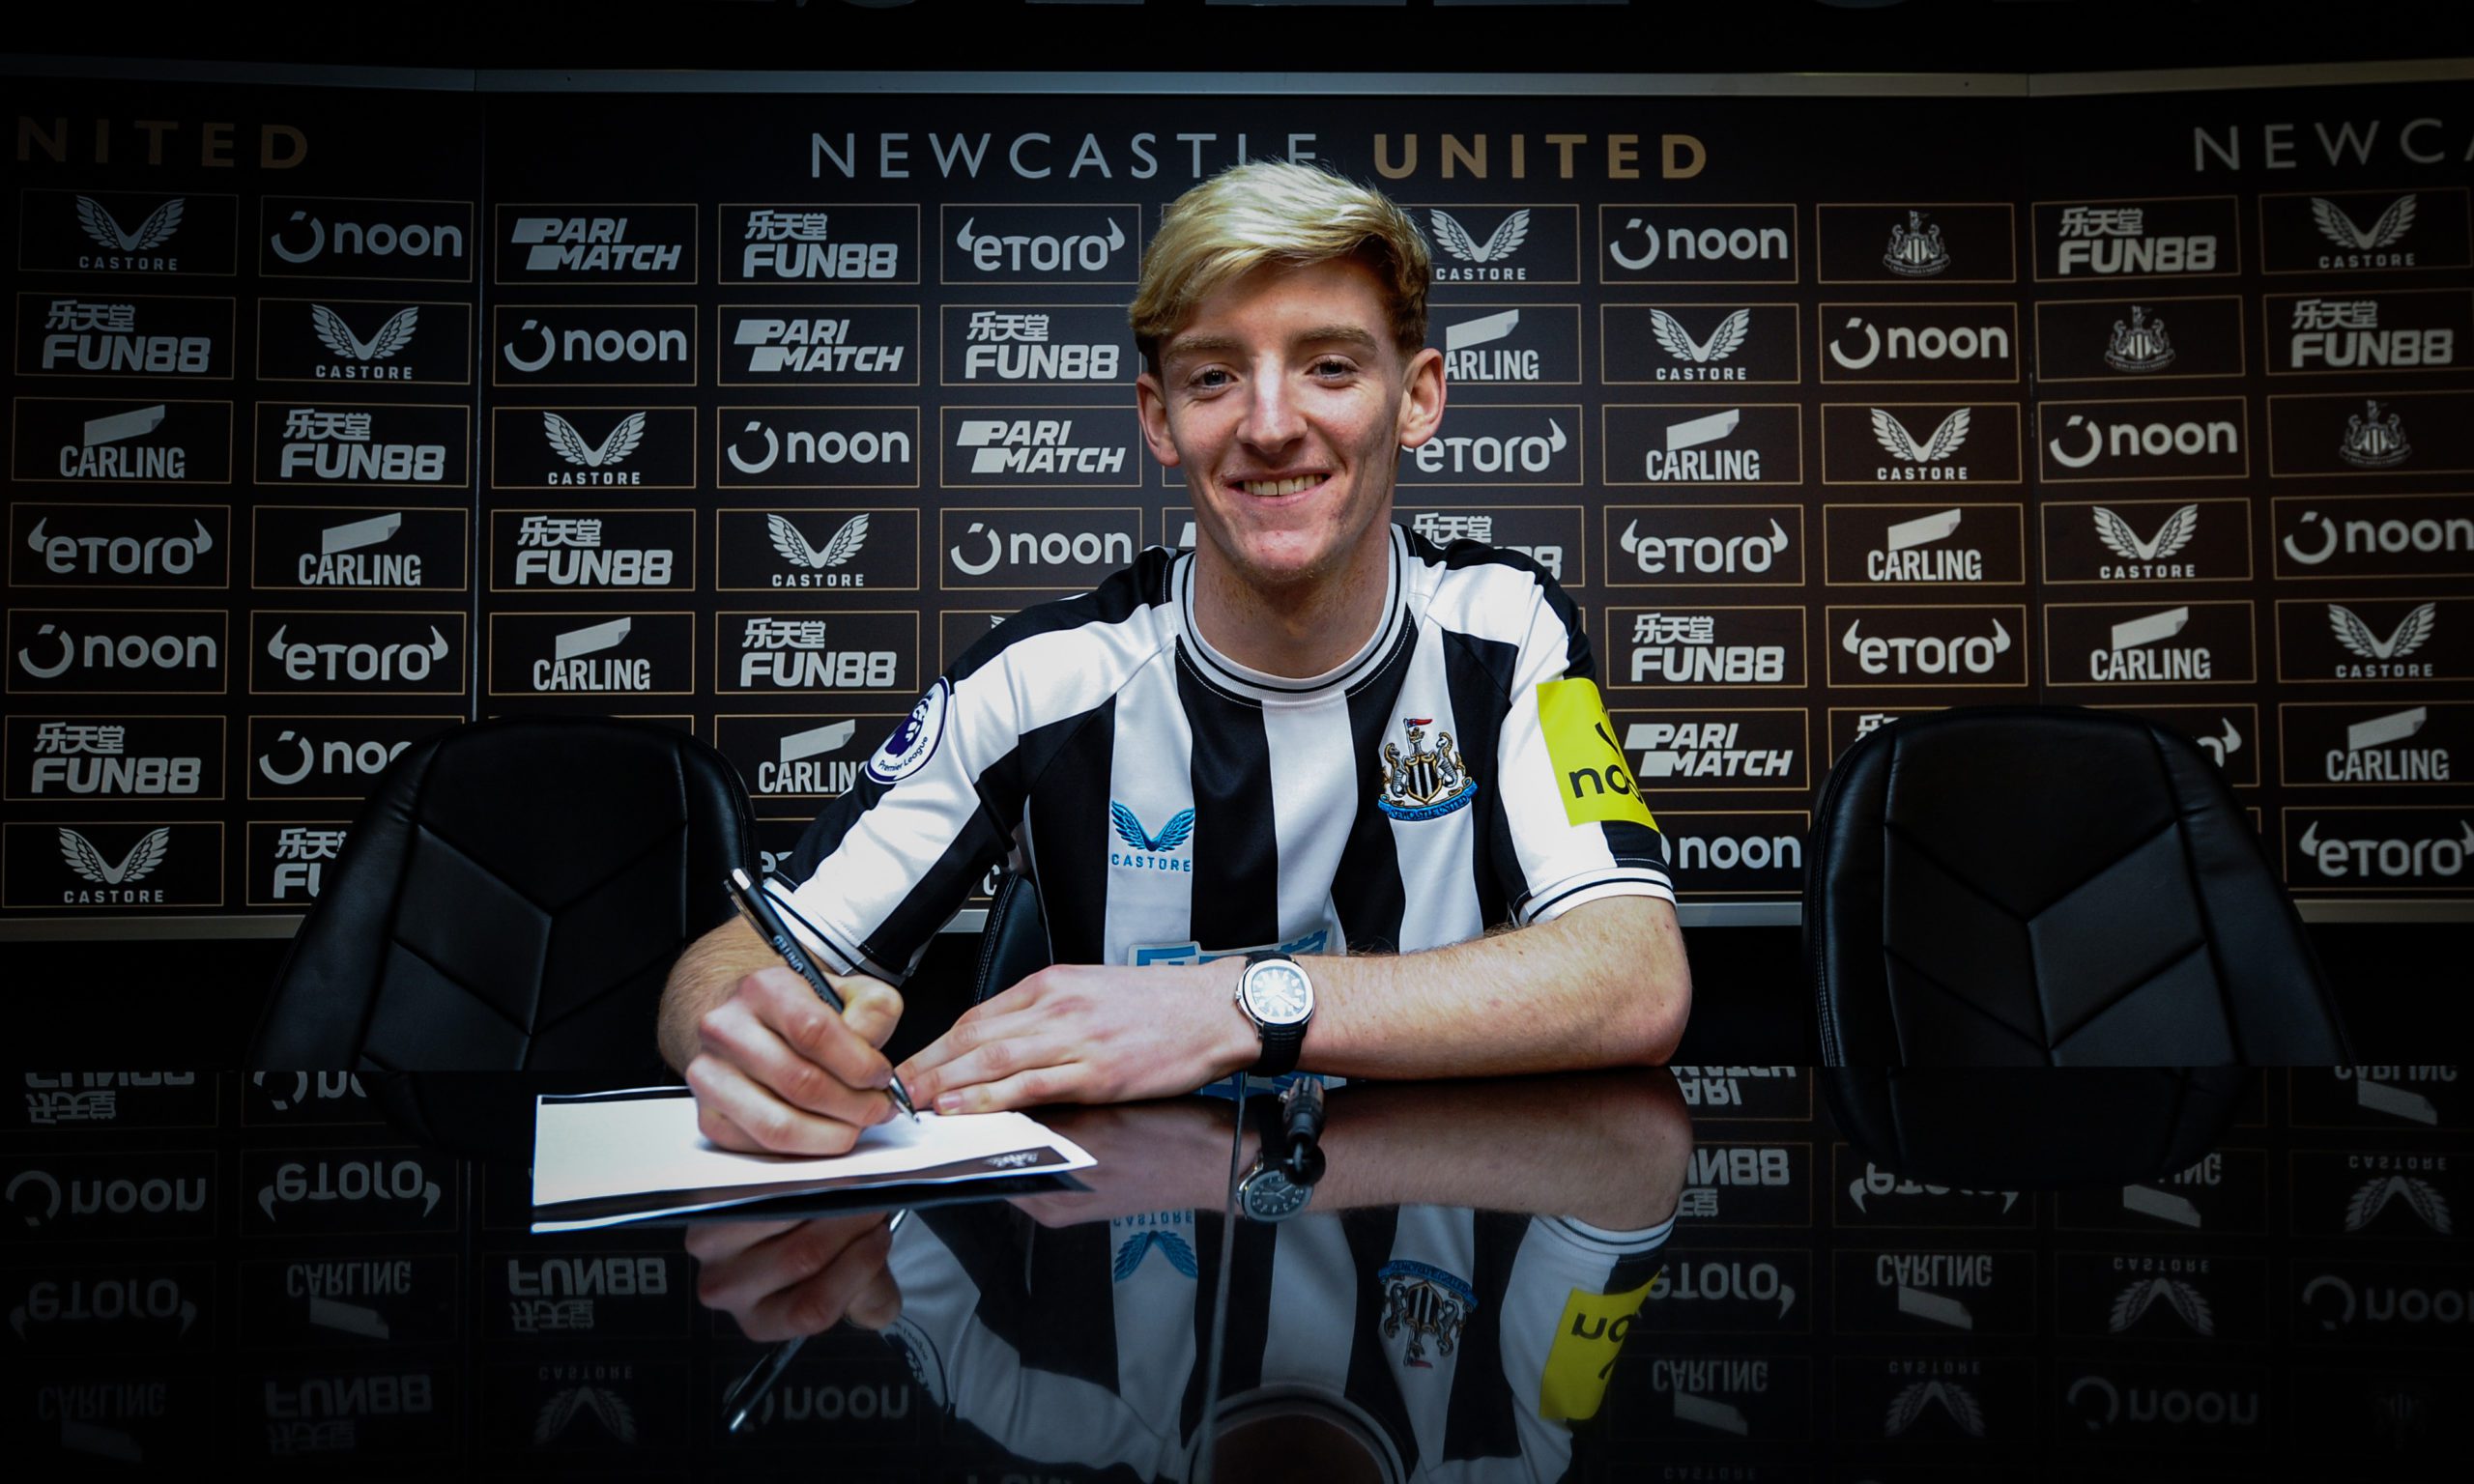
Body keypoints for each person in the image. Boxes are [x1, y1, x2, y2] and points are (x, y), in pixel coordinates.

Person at [659, 159, 1691, 1155]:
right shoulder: (1038, 679)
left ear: (1417, 397)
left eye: (1330, 366)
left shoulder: (1505, 630)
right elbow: (750, 953)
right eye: (1214, 376)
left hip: (1429, 1248)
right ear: (1160, 418)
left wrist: (1236, 1005)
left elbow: (1634, 977)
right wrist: (748, 1041)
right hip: (1107, 1263)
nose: (1271, 424)